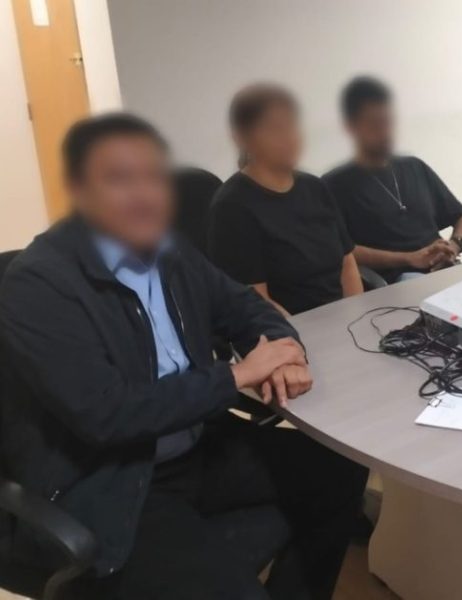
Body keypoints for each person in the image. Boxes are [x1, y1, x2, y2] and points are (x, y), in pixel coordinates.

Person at [0, 114, 368, 600]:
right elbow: (107, 414)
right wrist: (235, 376)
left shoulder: (168, 251)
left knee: (341, 468)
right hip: (115, 483)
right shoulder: (37, 286)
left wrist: (285, 352)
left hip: (197, 446)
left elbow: (246, 306)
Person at [208, 84, 363, 316]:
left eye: (293, 125)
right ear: (243, 138)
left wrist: (357, 314)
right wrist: (307, 332)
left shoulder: (315, 187)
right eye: (275, 129)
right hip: (287, 327)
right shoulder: (232, 206)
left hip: (341, 320)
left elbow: (347, 262)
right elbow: (256, 298)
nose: (289, 137)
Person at [323, 77, 462, 284]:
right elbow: (343, 252)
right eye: (374, 124)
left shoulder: (414, 166)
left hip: (445, 270)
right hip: (396, 281)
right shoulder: (335, 185)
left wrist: (453, 246)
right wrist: (410, 259)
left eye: (387, 121)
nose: (384, 131)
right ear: (352, 127)